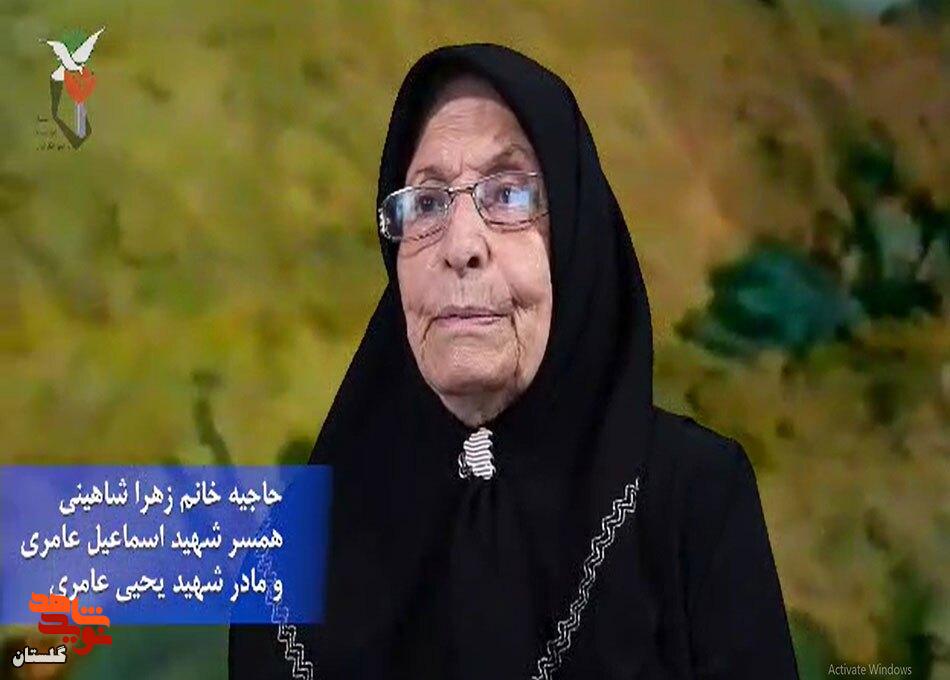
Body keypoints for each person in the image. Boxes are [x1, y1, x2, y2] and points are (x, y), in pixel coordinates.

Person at [229, 43, 800, 679]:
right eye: (427, 203)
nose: (461, 246)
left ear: (575, 236)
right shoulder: (287, 554)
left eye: (507, 194)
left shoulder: (694, 499)